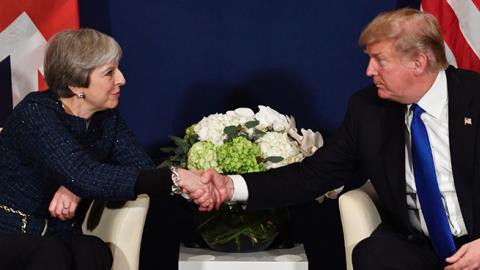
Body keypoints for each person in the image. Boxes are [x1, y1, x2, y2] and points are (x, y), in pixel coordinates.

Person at [191, 8, 480, 270]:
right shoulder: (368, 109)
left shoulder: (474, 97)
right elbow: (313, 175)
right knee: (373, 253)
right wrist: (230, 186)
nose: (369, 71)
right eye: (369, 59)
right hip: (419, 246)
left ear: (418, 62)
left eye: (380, 61)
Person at [0, 28, 214, 270]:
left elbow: (139, 169)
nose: (121, 79)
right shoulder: (35, 113)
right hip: (8, 228)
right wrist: (176, 177)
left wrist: (77, 187)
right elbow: (83, 173)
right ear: (75, 84)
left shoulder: (106, 117)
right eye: (109, 73)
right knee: (50, 253)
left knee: (93, 250)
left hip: (56, 231)